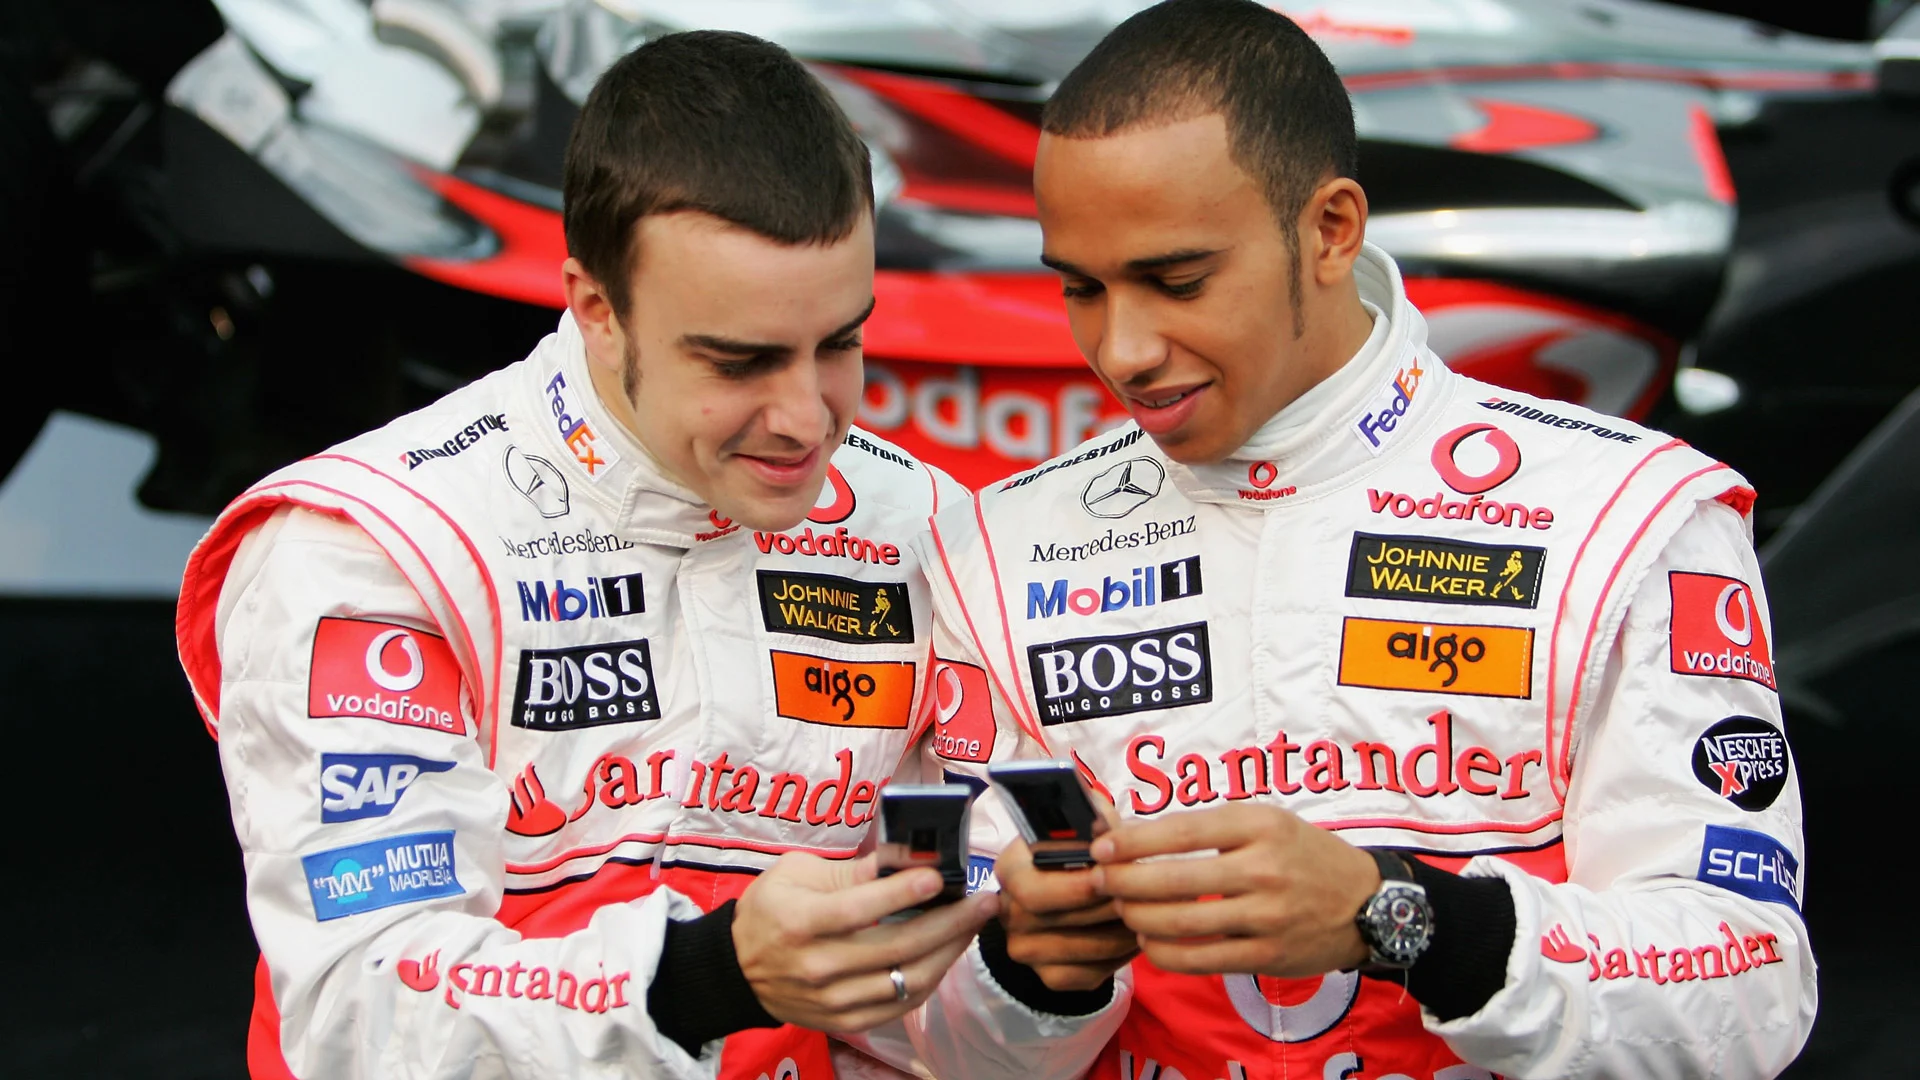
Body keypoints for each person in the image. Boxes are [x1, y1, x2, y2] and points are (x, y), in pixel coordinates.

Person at [913, 1, 1816, 1077]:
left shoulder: (1623, 518)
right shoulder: (994, 553)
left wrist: (1411, 918)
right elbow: (927, 1027)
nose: (1124, 347)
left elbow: (1747, 986)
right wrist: (1026, 970)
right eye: (1080, 286)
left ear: (1332, 229)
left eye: (1178, 279)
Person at [175, 30, 1034, 1080]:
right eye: (741, 359)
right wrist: (710, 976)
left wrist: (1040, 978)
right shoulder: (378, 548)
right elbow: (361, 1017)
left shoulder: (923, 528)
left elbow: (976, 1045)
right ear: (595, 308)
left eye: (841, 341)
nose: (808, 417)